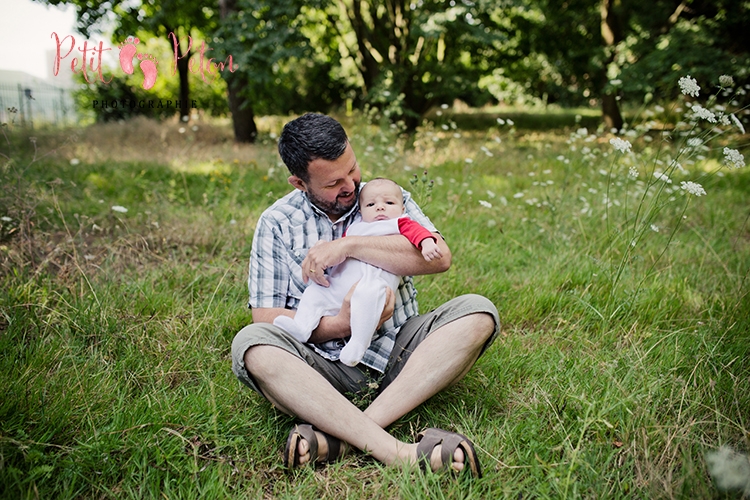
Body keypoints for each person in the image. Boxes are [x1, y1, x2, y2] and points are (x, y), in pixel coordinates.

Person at [231, 113, 500, 477]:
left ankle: (342, 436)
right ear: (299, 182)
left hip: (402, 354)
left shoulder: (382, 196)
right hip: (320, 370)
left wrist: (351, 245)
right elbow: (266, 317)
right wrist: (341, 324)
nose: (350, 186)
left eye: (352, 169)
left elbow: (439, 258)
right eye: (333, 183)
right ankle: (397, 452)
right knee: (252, 343)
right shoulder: (276, 223)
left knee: (478, 312)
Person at [273, 177, 443, 367]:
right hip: (338, 284)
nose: (380, 207)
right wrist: (323, 247)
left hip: (372, 282)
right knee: (315, 293)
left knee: (367, 298)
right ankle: (302, 327)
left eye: (389, 202)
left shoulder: (400, 223)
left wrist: (426, 243)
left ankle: (358, 343)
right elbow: (335, 250)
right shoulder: (356, 227)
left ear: (403, 208)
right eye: (371, 204)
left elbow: (419, 233)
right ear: (360, 211)